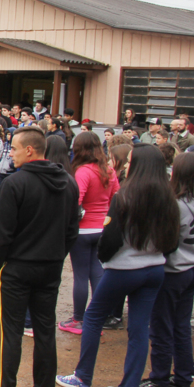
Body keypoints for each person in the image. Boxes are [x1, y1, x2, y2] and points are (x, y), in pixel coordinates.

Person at [57, 144, 179, 387]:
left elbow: (109, 238)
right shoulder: (169, 198)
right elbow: (173, 239)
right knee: (139, 328)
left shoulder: (124, 197)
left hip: (124, 268)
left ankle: (83, 377)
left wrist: (105, 258)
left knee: (92, 317)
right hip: (155, 268)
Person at [0, 127, 79, 387]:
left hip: (17, 269)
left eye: (15, 149)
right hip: (50, 268)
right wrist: (56, 255)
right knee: (45, 331)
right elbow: (72, 231)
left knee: (9, 333)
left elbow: (1, 234)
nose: (12, 154)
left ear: (30, 150)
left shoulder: (16, 183)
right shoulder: (68, 183)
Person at [138, 153, 194, 387]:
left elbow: (165, 240)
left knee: (161, 326)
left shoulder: (177, 206)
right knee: (181, 326)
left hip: (173, 271)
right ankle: (182, 377)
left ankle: (159, 378)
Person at [58, 132, 119, 335]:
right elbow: (115, 199)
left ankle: (79, 318)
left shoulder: (83, 171)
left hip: (83, 229)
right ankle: (99, 316)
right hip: (102, 228)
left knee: (81, 276)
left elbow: (76, 200)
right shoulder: (109, 170)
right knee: (97, 273)